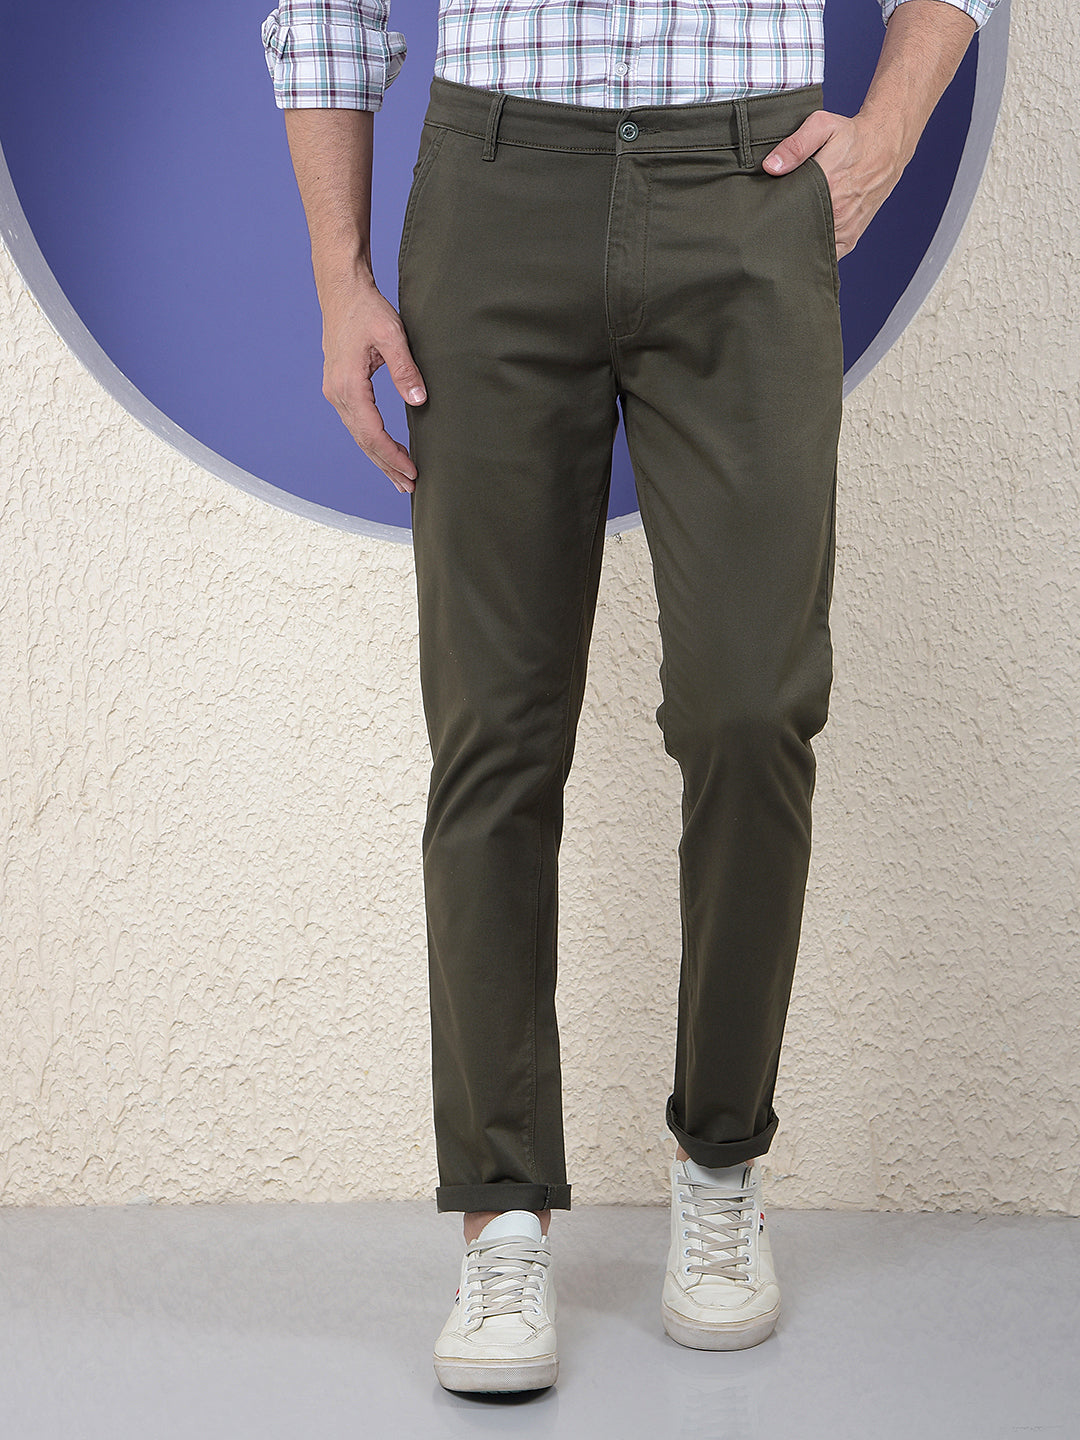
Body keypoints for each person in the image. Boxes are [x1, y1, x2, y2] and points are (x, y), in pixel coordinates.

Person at [261, 0, 999, 1393]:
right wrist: (338, 272)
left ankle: (720, 1164)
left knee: (752, 707)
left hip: (747, 187)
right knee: (492, 725)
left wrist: (893, 124)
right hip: (496, 191)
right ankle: (499, 1216)